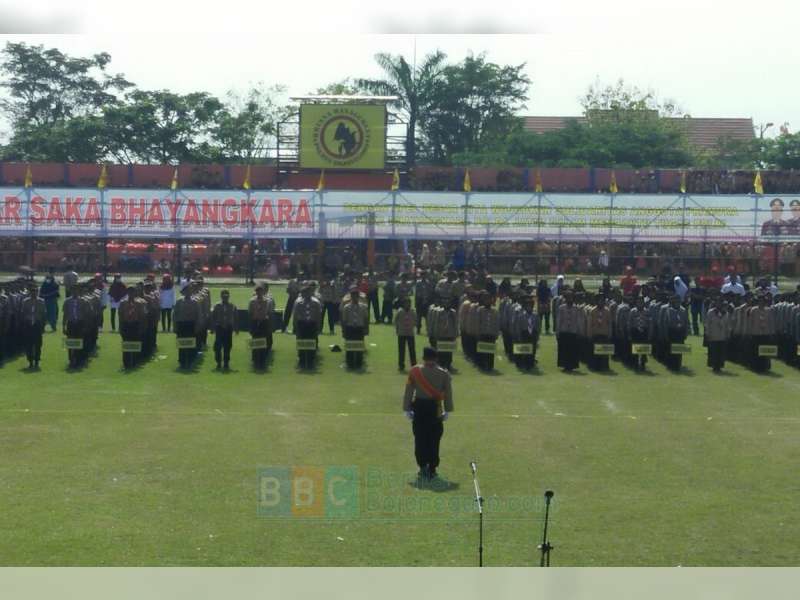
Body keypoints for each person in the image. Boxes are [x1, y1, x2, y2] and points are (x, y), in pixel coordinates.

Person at [402, 346, 454, 481]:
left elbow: (409, 391)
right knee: (434, 439)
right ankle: (432, 468)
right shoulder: (444, 374)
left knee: (420, 438)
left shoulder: (414, 371)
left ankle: (422, 466)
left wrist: (406, 408)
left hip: (419, 408)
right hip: (435, 409)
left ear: (424, 358)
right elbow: (448, 393)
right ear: (436, 358)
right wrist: (448, 410)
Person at [293, 284, 322, 369]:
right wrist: (295, 326)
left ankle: (310, 361)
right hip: (302, 324)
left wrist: (319, 326)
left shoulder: (316, 302)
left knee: (311, 343)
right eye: (304, 292)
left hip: (312, 324)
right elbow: (295, 315)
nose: (305, 294)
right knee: (301, 343)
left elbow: (318, 315)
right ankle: (301, 361)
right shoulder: (298, 302)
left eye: (307, 292)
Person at [118, 285, 146, 369]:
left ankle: (135, 361)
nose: (131, 293)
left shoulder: (139, 303)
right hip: (126, 324)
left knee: (135, 344)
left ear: (135, 292)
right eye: (129, 292)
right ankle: (126, 363)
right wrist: (120, 326)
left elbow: (142, 316)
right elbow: (120, 315)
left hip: (135, 324)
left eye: (132, 292)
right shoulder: (123, 303)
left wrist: (142, 326)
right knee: (126, 344)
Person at [341, 287, 369, 369]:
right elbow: (344, 320)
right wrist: (344, 330)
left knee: (359, 347)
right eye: (353, 296)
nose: (354, 298)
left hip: (359, 328)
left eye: (356, 296)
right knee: (349, 347)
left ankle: (358, 364)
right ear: (351, 297)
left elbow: (366, 318)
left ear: (358, 297)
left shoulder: (363, 307)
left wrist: (366, 329)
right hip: (350, 328)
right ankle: (349, 363)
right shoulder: (346, 307)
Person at [173, 284, 199, 369]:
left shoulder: (195, 301)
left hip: (191, 324)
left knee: (191, 344)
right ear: (183, 292)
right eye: (186, 291)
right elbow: (175, 314)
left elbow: (198, 316)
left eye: (189, 291)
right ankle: (182, 361)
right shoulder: (179, 301)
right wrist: (175, 326)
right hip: (181, 324)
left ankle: (190, 361)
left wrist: (197, 326)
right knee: (181, 343)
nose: (188, 292)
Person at [511, 293, 539, 371]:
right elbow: (514, 321)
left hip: (531, 333)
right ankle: (519, 362)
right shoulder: (517, 310)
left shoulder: (534, 313)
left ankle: (529, 362)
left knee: (529, 349)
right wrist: (515, 332)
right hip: (521, 330)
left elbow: (537, 325)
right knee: (519, 348)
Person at [211, 289, 238, 370]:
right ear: (221, 296)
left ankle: (226, 363)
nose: (225, 297)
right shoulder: (217, 306)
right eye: (223, 296)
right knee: (217, 347)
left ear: (229, 296)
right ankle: (218, 362)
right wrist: (212, 328)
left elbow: (236, 318)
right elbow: (213, 318)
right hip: (219, 328)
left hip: (228, 328)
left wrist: (236, 328)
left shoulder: (232, 306)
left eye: (226, 296)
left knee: (228, 346)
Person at [21, 286, 46, 368]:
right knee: (29, 344)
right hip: (28, 324)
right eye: (32, 291)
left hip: (37, 324)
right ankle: (30, 361)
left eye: (36, 291)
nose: (34, 293)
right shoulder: (25, 301)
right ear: (30, 292)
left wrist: (43, 326)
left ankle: (37, 360)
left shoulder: (41, 301)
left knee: (38, 344)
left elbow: (43, 315)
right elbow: (23, 313)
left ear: (37, 292)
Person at [556, 290, 581, 372]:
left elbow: (578, 320)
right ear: (565, 298)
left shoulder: (576, 308)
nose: (569, 299)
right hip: (564, 332)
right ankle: (565, 366)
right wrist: (557, 332)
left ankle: (572, 365)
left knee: (572, 350)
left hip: (573, 332)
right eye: (568, 297)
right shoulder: (561, 308)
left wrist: (578, 331)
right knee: (564, 350)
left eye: (571, 297)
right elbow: (559, 320)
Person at [705, 295, 730, 372]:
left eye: (720, 302)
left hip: (722, 335)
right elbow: (707, 324)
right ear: (715, 303)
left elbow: (727, 325)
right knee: (714, 352)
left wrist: (727, 334)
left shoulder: (726, 313)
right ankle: (714, 366)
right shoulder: (710, 312)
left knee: (721, 352)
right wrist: (707, 334)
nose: (719, 304)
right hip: (713, 335)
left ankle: (719, 365)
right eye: (717, 302)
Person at [394, 296, 417, 371]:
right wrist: (397, 329)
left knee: (412, 350)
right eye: (406, 303)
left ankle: (414, 365)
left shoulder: (413, 311)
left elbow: (415, 321)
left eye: (409, 303)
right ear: (403, 304)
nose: (407, 304)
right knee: (401, 350)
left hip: (410, 333)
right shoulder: (400, 311)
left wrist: (412, 326)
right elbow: (396, 321)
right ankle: (401, 365)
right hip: (402, 333)